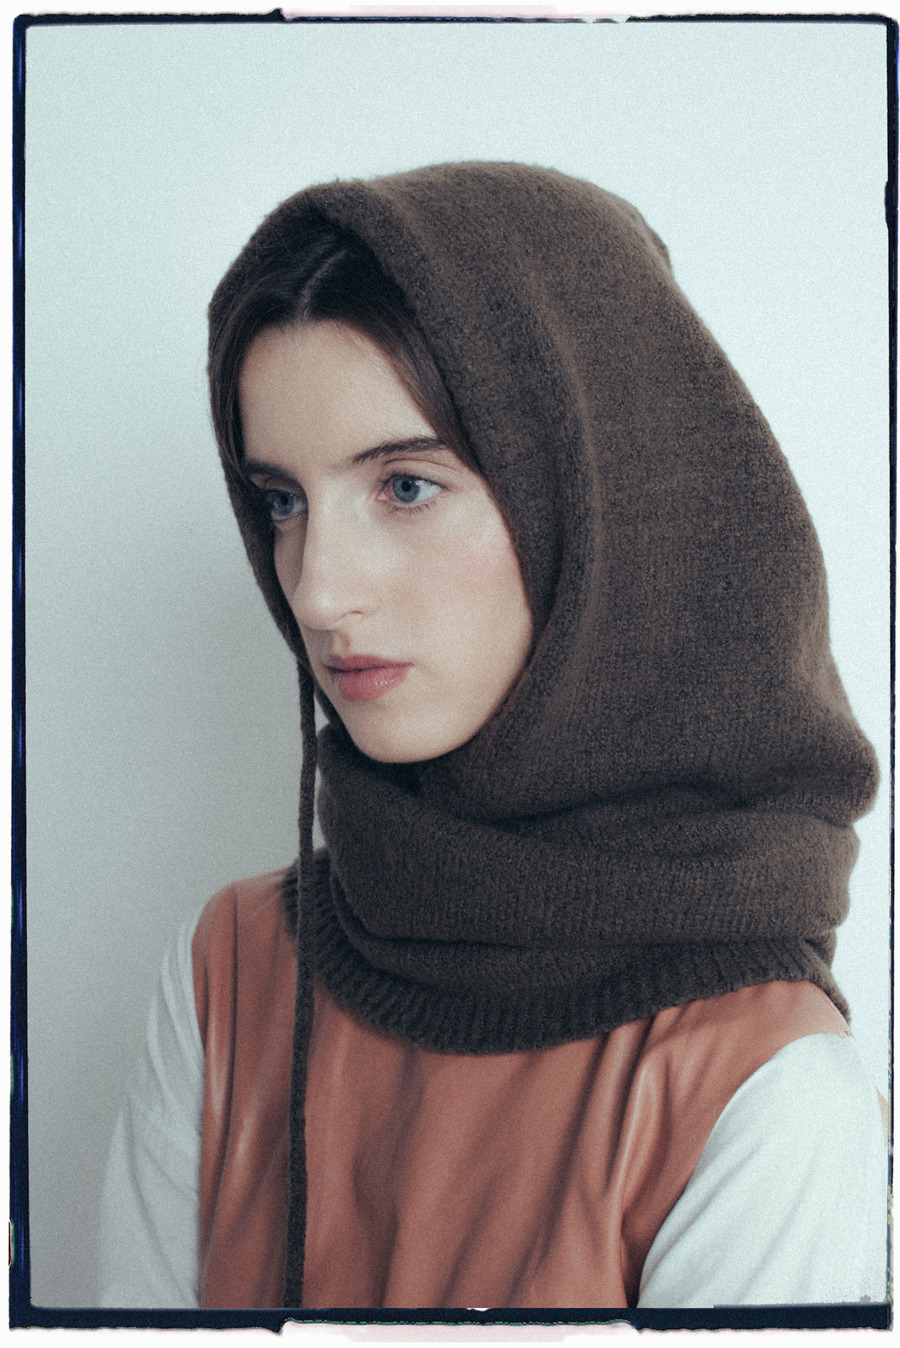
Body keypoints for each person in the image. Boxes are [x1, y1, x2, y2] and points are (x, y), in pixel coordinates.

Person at [100, 162, 887, 1310]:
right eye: (282, 501)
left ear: (597, 499)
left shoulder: (762, 1088)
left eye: (405, 487)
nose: (316, 590)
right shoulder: (228, 975)